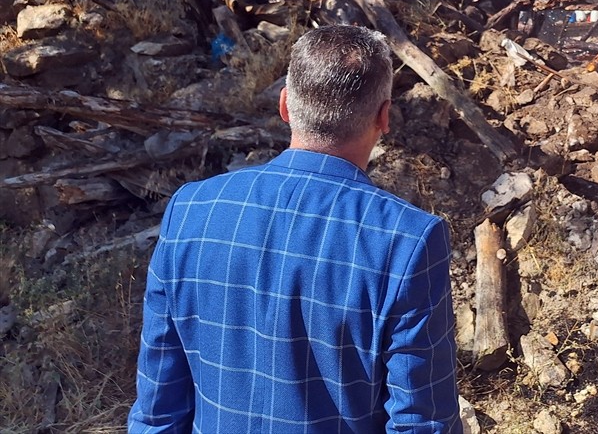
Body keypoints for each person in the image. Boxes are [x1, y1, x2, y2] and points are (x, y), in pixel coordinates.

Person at [129, 24, 462, 433]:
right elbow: (423, 423)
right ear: (384, 116)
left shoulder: (192, 209)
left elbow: (157, 408)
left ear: (285, 106)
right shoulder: (408, 239)